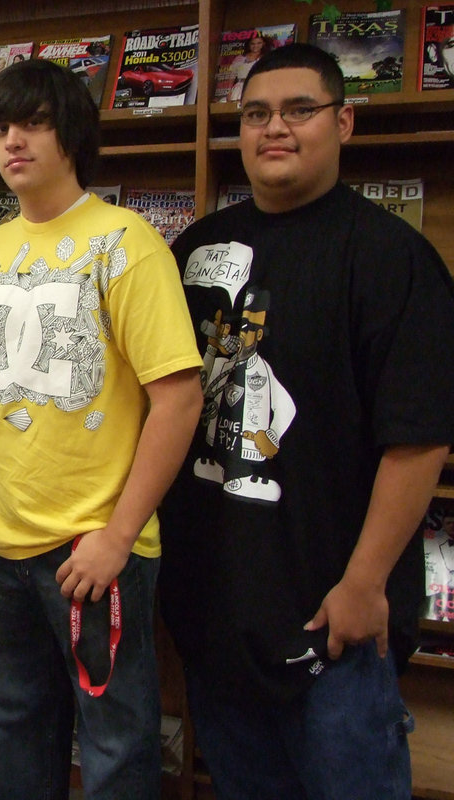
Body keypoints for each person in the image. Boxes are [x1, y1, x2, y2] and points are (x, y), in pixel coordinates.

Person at [159, 43, 454, 800]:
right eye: (256, 114)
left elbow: (418, 438)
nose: (274, 128)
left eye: (300, 110)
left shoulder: (392, 258)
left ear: (344, 122)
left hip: (334, 618)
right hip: (218, 612)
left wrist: (364, 582)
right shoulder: (194, 251)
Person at [0, 58, 203, 800]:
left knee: (116, 737)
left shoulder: (126, 243)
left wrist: (119, 536)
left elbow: (178, 399)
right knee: (18, 718)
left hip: (93, 543)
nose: (12, 141)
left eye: (32, 123)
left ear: (73, 135)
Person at [227, 32, 273, 101]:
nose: (255, 46)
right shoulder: (239, 58)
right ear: (249, 44)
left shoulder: (266, 58)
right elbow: (232, 76)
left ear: (263, 43)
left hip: (258, 86)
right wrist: (229, 91)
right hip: (240, 89)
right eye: (253, 43)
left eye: (259, 43)